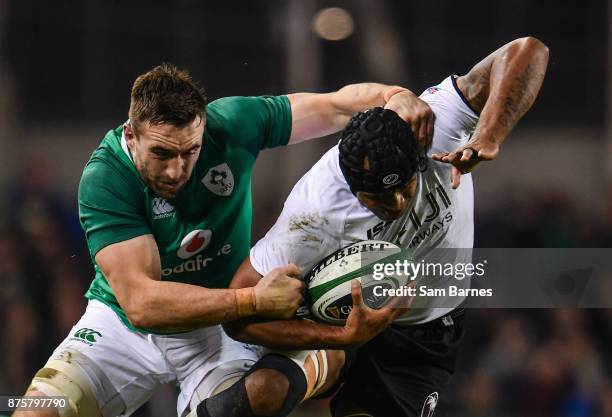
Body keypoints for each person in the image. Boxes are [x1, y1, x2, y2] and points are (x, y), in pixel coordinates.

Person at [13, 63, 434, 417]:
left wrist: (395, 95)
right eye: (162, 154)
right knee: (35, 412)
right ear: (131, 134)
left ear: (204, 128)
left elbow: (339, 106)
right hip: (122, 327)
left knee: (256, 399)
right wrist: (251, 302)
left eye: (189, 151)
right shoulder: (106, 177)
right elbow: (142, 303)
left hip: (216, 334)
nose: (177, 170)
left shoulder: (232, 124)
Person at [223, 37, 549, 417]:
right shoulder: (315, 212)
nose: (396, 205)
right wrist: (343, 336)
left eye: (404, 188)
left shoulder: (435, 125)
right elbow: (238, 316)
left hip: (422, 334)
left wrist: (489, 135)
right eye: (377, 199)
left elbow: (528, 51)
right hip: (335, 324)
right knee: (265, 391)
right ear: (351, 186)